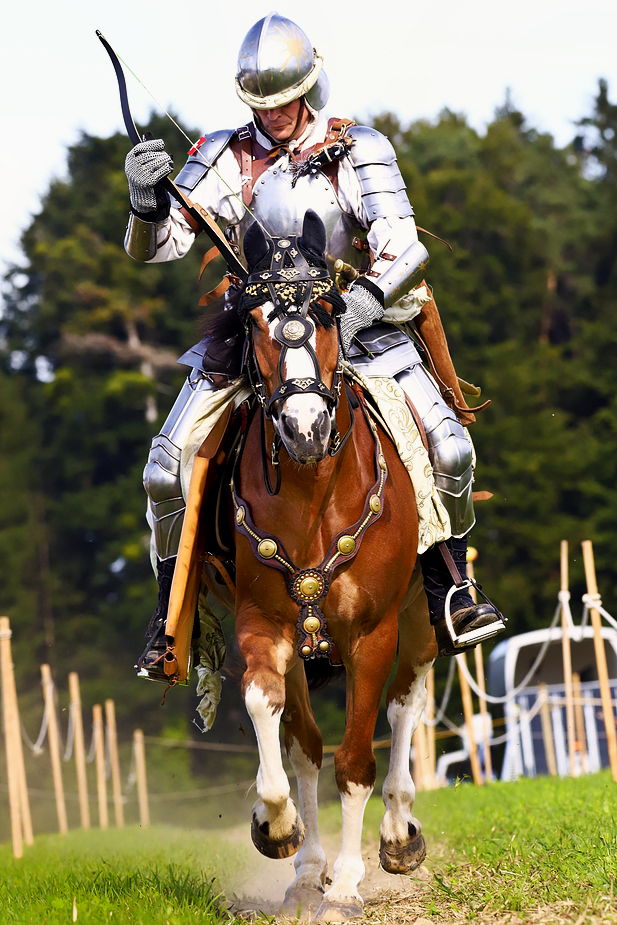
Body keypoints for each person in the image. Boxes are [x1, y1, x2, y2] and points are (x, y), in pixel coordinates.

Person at [123, 12, 505, 677]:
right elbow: (160, 248)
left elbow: (403, 247)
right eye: (261, 104)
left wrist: (356, 309)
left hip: (354, 323)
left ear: (309, 89)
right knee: (163, 468)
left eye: (284, 100)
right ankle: (169, 616)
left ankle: (451, 587)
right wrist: (146, 203)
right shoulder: (224, 154)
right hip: (259, 337)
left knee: (449, 448)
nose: (273, 115)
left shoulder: (358, 148)